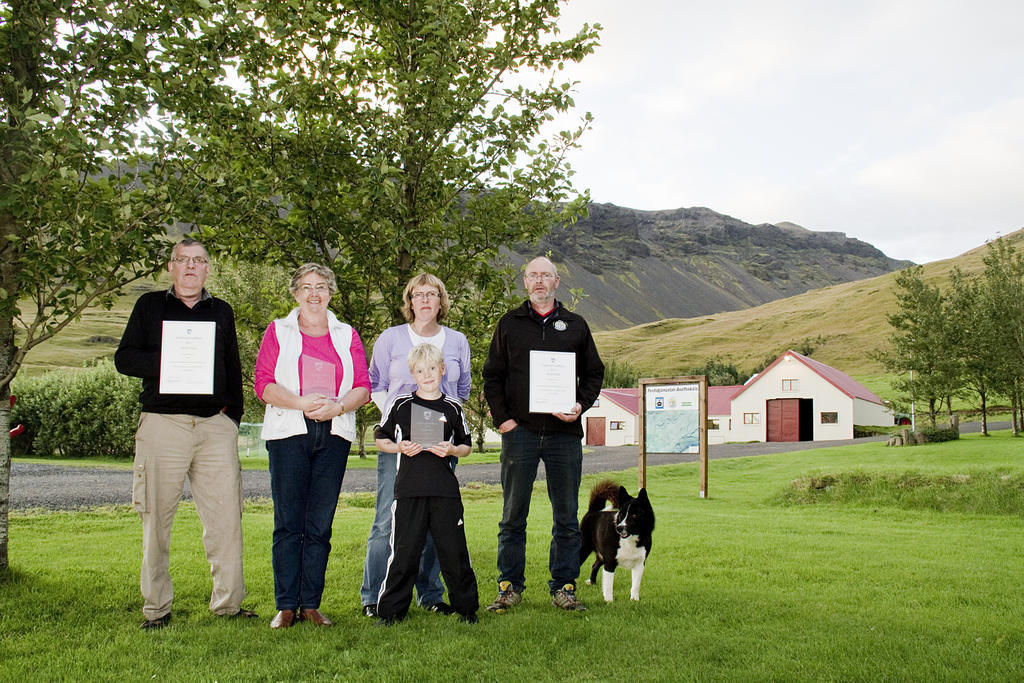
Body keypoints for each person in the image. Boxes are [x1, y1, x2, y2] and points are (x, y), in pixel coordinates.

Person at [115, 237, 256, 629]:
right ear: (171, 267)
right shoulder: (149, 306)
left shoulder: (221, 311)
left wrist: (232, 418)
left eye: (199, 261)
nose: (191, 267)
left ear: (208, 269)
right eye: (183, 260)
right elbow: (124, 358)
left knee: (226, 518)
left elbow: (231, 365)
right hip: (164, 424)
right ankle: (157, 609)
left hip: (215, 427)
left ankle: (228, 604)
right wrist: (170, 359)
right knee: (156, 519)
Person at [482, 256, 605, 613]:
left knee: (566, 516)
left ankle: (564, 587)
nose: (539, 281)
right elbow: (492, 376)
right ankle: (509, 587)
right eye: (533, 275)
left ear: (557, 281)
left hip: (564, 436)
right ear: (525, 282)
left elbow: (594, 373)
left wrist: (580, 405)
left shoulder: (576, 325)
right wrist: (503, 420)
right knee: (512, 515)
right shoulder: (509, 324)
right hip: (519, 434)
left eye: (545, 276)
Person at [254, 263, 371, 629]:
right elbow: (263, 384)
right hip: (289, 432)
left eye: (321, 287)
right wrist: (302, 403)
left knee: (319, 523)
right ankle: (287, 605)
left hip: (333, 433)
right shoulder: (278, 331)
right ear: (295, 293)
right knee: (289, 522)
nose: (314, 294)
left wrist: (338, 406)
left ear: (331, 292)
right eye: (306, 287)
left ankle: (311, 604)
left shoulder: (346, 334)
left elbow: (363, 387)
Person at [360, 273, 471, 617]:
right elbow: (374, 383)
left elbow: (462, 389)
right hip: (400, 447)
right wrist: (398, 426)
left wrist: (447, 436)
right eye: (417, 294)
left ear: (441, 301)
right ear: (409, 301)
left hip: (440, 448)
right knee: (387, 522)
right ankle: (374, 597)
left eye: (432, 294)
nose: (424, 300)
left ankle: (431, 595)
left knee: (438, 522)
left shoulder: (456, 341)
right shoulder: (391, 338)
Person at [373, 343, 478, 624]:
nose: (427, 374)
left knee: (453, 551)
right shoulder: (400, 404)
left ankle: (466, 608)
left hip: (444, 491)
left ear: (442, 370)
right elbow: (380, 439)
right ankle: (391, 611)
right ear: (413, 373)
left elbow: (466, 445)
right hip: (409, 490)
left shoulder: (453, 407)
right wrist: (400, 447)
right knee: (404, 552)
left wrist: (451, 450)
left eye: (432, 368)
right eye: (420, 370)